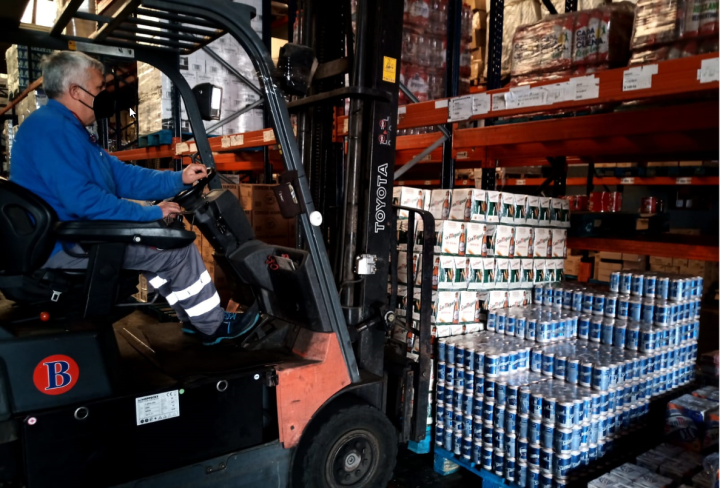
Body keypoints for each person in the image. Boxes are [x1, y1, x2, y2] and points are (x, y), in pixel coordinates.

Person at [10, 51, 258, 345]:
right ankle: (214, 328)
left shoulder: (67, 128)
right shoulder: (53, 130)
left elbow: (121, 176)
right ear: (75, 91)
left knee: (163, 244)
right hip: (64, 243)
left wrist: (179, 179)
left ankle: (196, 321)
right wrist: (152, 215)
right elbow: (85, 201)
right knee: (176, 248)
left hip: (71, 235)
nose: (103, 96)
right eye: (99, 89)